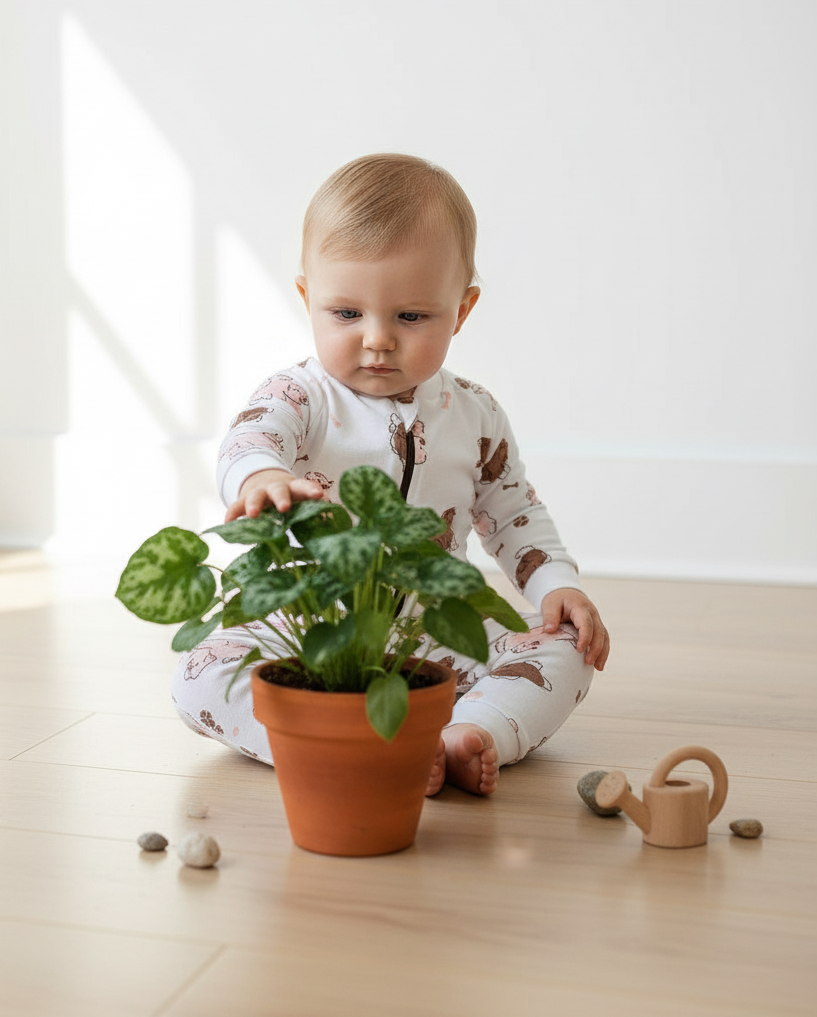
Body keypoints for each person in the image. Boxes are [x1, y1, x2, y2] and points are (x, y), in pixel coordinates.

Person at [171, 153, 610, 796]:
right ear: (307, 299)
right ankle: (340, 746)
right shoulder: (301, 397)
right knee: (200, 675)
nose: (377, 339)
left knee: (567, 649)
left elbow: (512, 509)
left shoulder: (476, 412)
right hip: (311, 637)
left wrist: (555, 583)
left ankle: (469, 733)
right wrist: (260, 476)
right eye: (346, 314)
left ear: (461, 310)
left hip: (431, 634)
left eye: (410, 317)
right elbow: (251, 438)